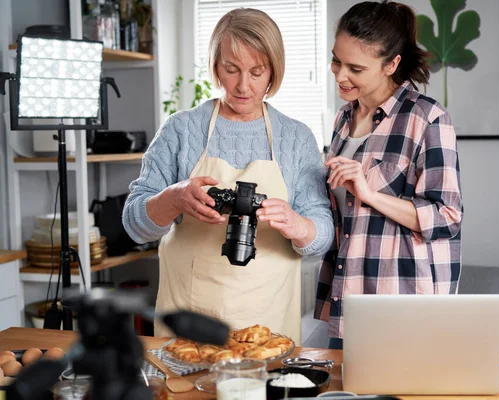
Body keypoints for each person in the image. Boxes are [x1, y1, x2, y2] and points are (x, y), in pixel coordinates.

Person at [123, 8, 333, 343]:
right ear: (215, 66)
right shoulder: (182, 129)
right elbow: (135, 226)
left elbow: (322, 233)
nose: (243, 86)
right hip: (189, 326)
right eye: (231, 69)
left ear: (273, 71)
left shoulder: (296, 138)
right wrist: (174, 198)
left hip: (269, 329)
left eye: (257, 72)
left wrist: (299, 225)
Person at [314, 0, 463, 349]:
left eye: (355, 67)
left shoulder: (427, 119)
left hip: (400, 302)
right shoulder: (342, 120)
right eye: (336, 60)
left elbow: (448, 217)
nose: (339, 75)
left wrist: (370, 194)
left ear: (391, 64)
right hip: (347, 298)